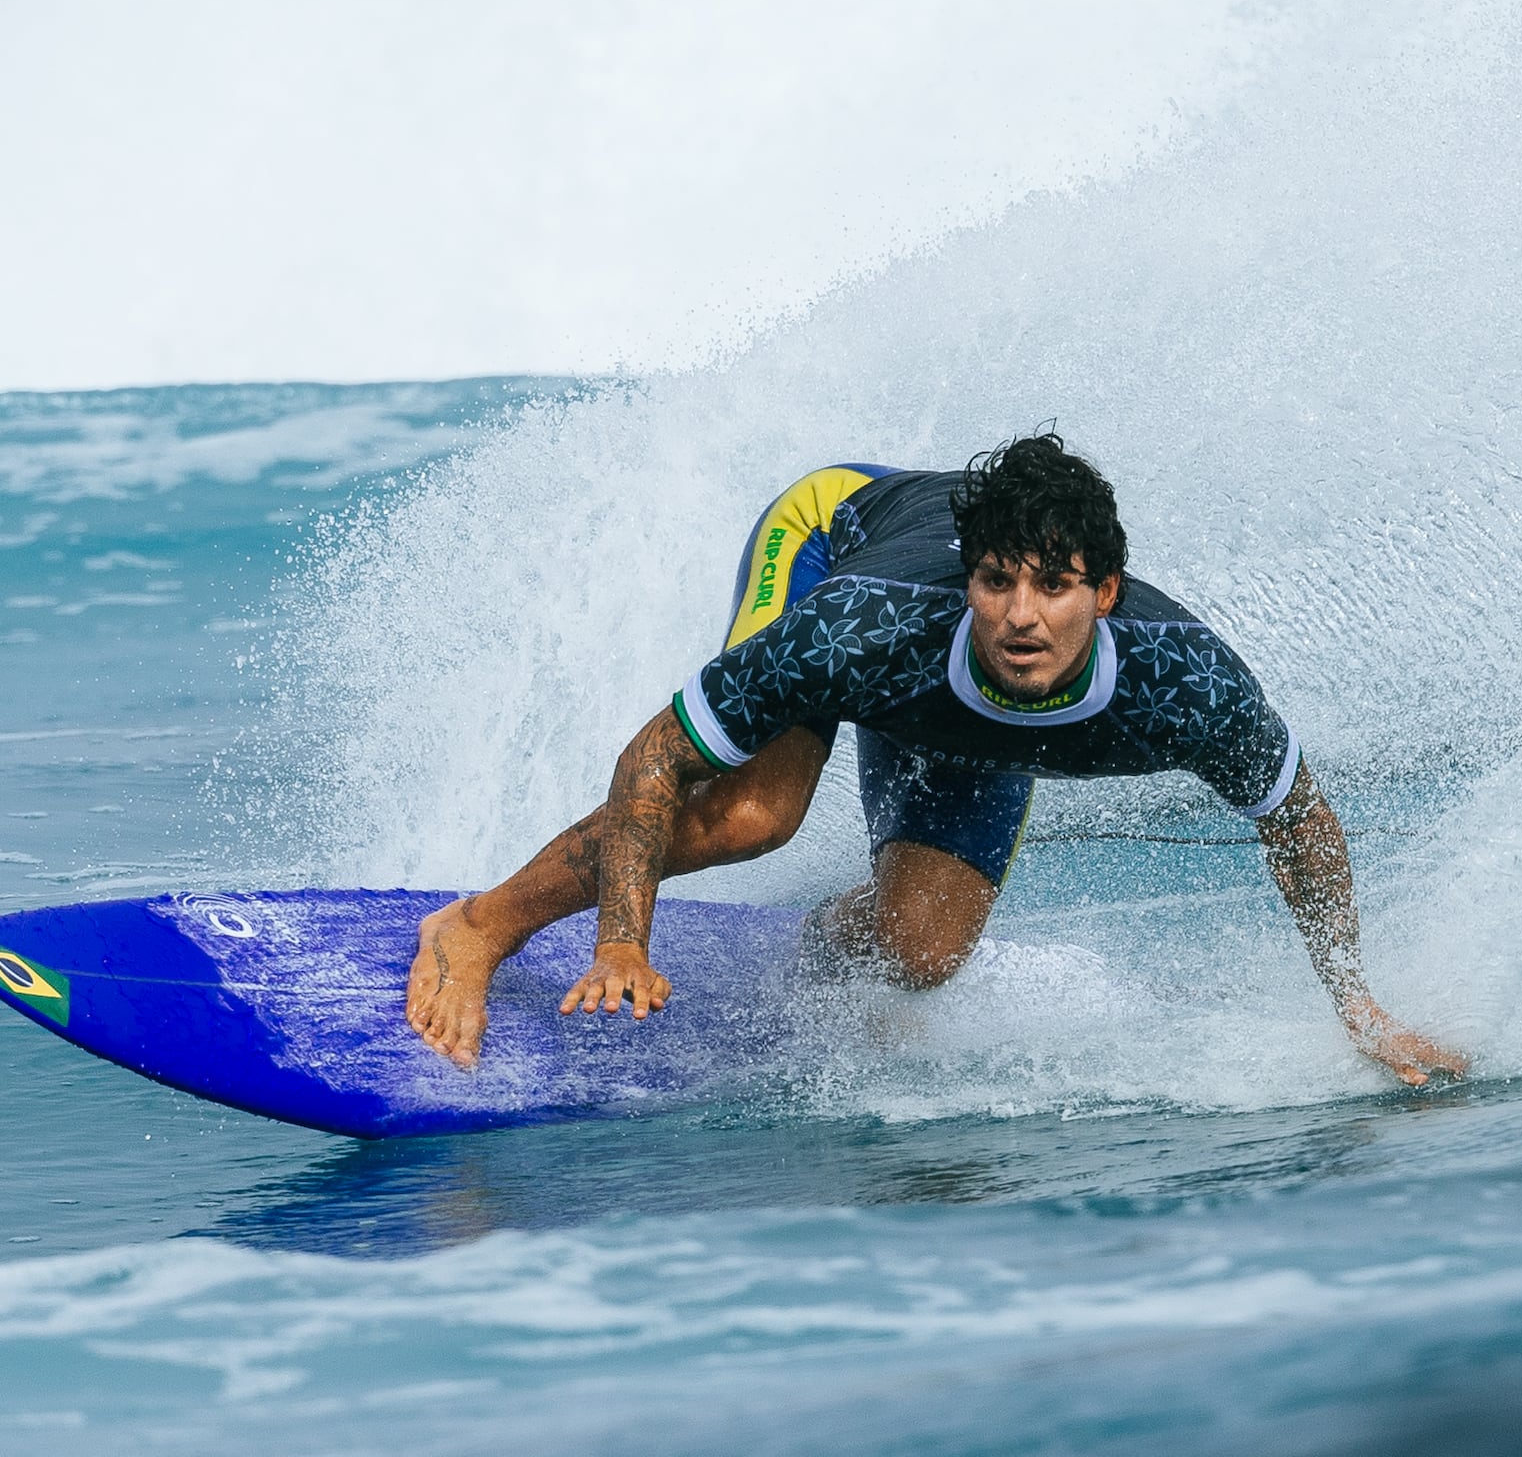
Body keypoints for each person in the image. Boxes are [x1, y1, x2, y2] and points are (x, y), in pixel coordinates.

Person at [403, 434, 1466, 1085]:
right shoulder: (861, 624)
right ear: (967, 581)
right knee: (752, 814)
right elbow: (654, 757)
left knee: (919, 954)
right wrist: (620, 944)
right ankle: (476, 925)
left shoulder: (1183, 682)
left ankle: (810, 958)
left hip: (955, 710)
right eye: (996, 581)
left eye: (1053, 585)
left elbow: (1301, 820)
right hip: (831, 535)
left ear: (1103, 591)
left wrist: (1354, 1002)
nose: (1020, 615)